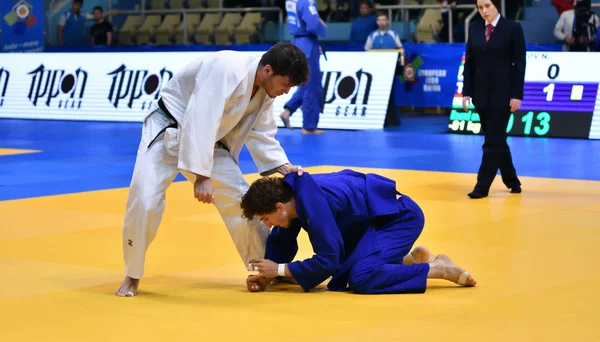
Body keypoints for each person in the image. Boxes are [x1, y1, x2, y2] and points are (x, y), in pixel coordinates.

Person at [116, 43, 309, 297]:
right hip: (167, 129)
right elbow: (200, 117)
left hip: (211, 142)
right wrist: (201, 175)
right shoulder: (227, 69)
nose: (286, 92)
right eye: (286, 84)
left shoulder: (264, 90)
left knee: (244, 201)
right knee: (144, 199)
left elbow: (261, 132)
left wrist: (284, 167)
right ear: (268, 70)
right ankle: (132, 274)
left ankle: (266, 267)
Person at [240, 170, 477, 294]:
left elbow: (328, 260)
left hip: (400, 218)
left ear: (279, 207)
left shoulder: (314, 204)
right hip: (370, 223)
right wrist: (269, 275)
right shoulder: (291, 194)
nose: (268, 225)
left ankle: (437, 268)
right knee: (295, 277)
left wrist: (280, 268)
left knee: (360, 278)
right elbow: (283, 240)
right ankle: (409, 259)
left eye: (266, 219)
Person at [462, 0, 526, 199]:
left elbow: (520, 64)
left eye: (487, 6)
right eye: (480, 7)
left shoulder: (512, 28)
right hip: (481, 95)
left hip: (503, 94)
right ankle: (512, 180)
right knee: (497, 140)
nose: (483, 11)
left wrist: (516, 95)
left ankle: (482, 187)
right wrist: (466, 92)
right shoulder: (474, 28)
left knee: (491, 142)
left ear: (497, 5)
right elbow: (470, 63)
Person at [279, 0, 327, 135]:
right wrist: (322, 25)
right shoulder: (306, 1)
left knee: (305, 84)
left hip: (297, 42)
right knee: (313, 86)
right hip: (308, 45)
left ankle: (287, 111)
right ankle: (309, 126)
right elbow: (313, 24)